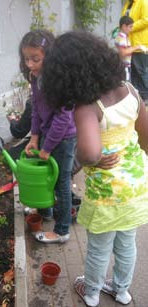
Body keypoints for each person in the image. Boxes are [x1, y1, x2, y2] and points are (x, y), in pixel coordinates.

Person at [42, 30, 148, 306]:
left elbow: (89, 153)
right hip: (135, 188)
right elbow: (147, 138)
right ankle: (123, 291)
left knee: (100, 248)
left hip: (107, 193)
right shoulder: (131, 90)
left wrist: (92, 159)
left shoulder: (88, 106)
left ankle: (91, 293)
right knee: (127, 244)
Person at [19, 29, 77, 243]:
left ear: (49, 57)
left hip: (64, 138)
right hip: (47, 133)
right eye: (26, 58)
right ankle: (46, 212)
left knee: (61, 182)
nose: (30, 64)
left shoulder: (60, 80)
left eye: (36, 59)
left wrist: (47, 148)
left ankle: (62, 231)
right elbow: (36, 107)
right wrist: (34, 137)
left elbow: (63, 119)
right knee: (46, 177)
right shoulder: (36, 77)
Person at [122, 0, 148, 105]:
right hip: (130, 43)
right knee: (134, 71)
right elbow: (123, 20)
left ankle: (146, 95)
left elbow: (146, 20)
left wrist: (130, 27)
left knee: (142, 70)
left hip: (141, 43)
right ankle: (139, 96)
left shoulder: (143, 2)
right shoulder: (128, 4)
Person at [114, 15, 145, 81]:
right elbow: (123, 53)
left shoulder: (122, 36)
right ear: (124, 26)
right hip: (123, 67)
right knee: (126, 85)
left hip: (123, 66)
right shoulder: (122, 38)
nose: (131, 29)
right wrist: (137, 47)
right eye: (130, 27)